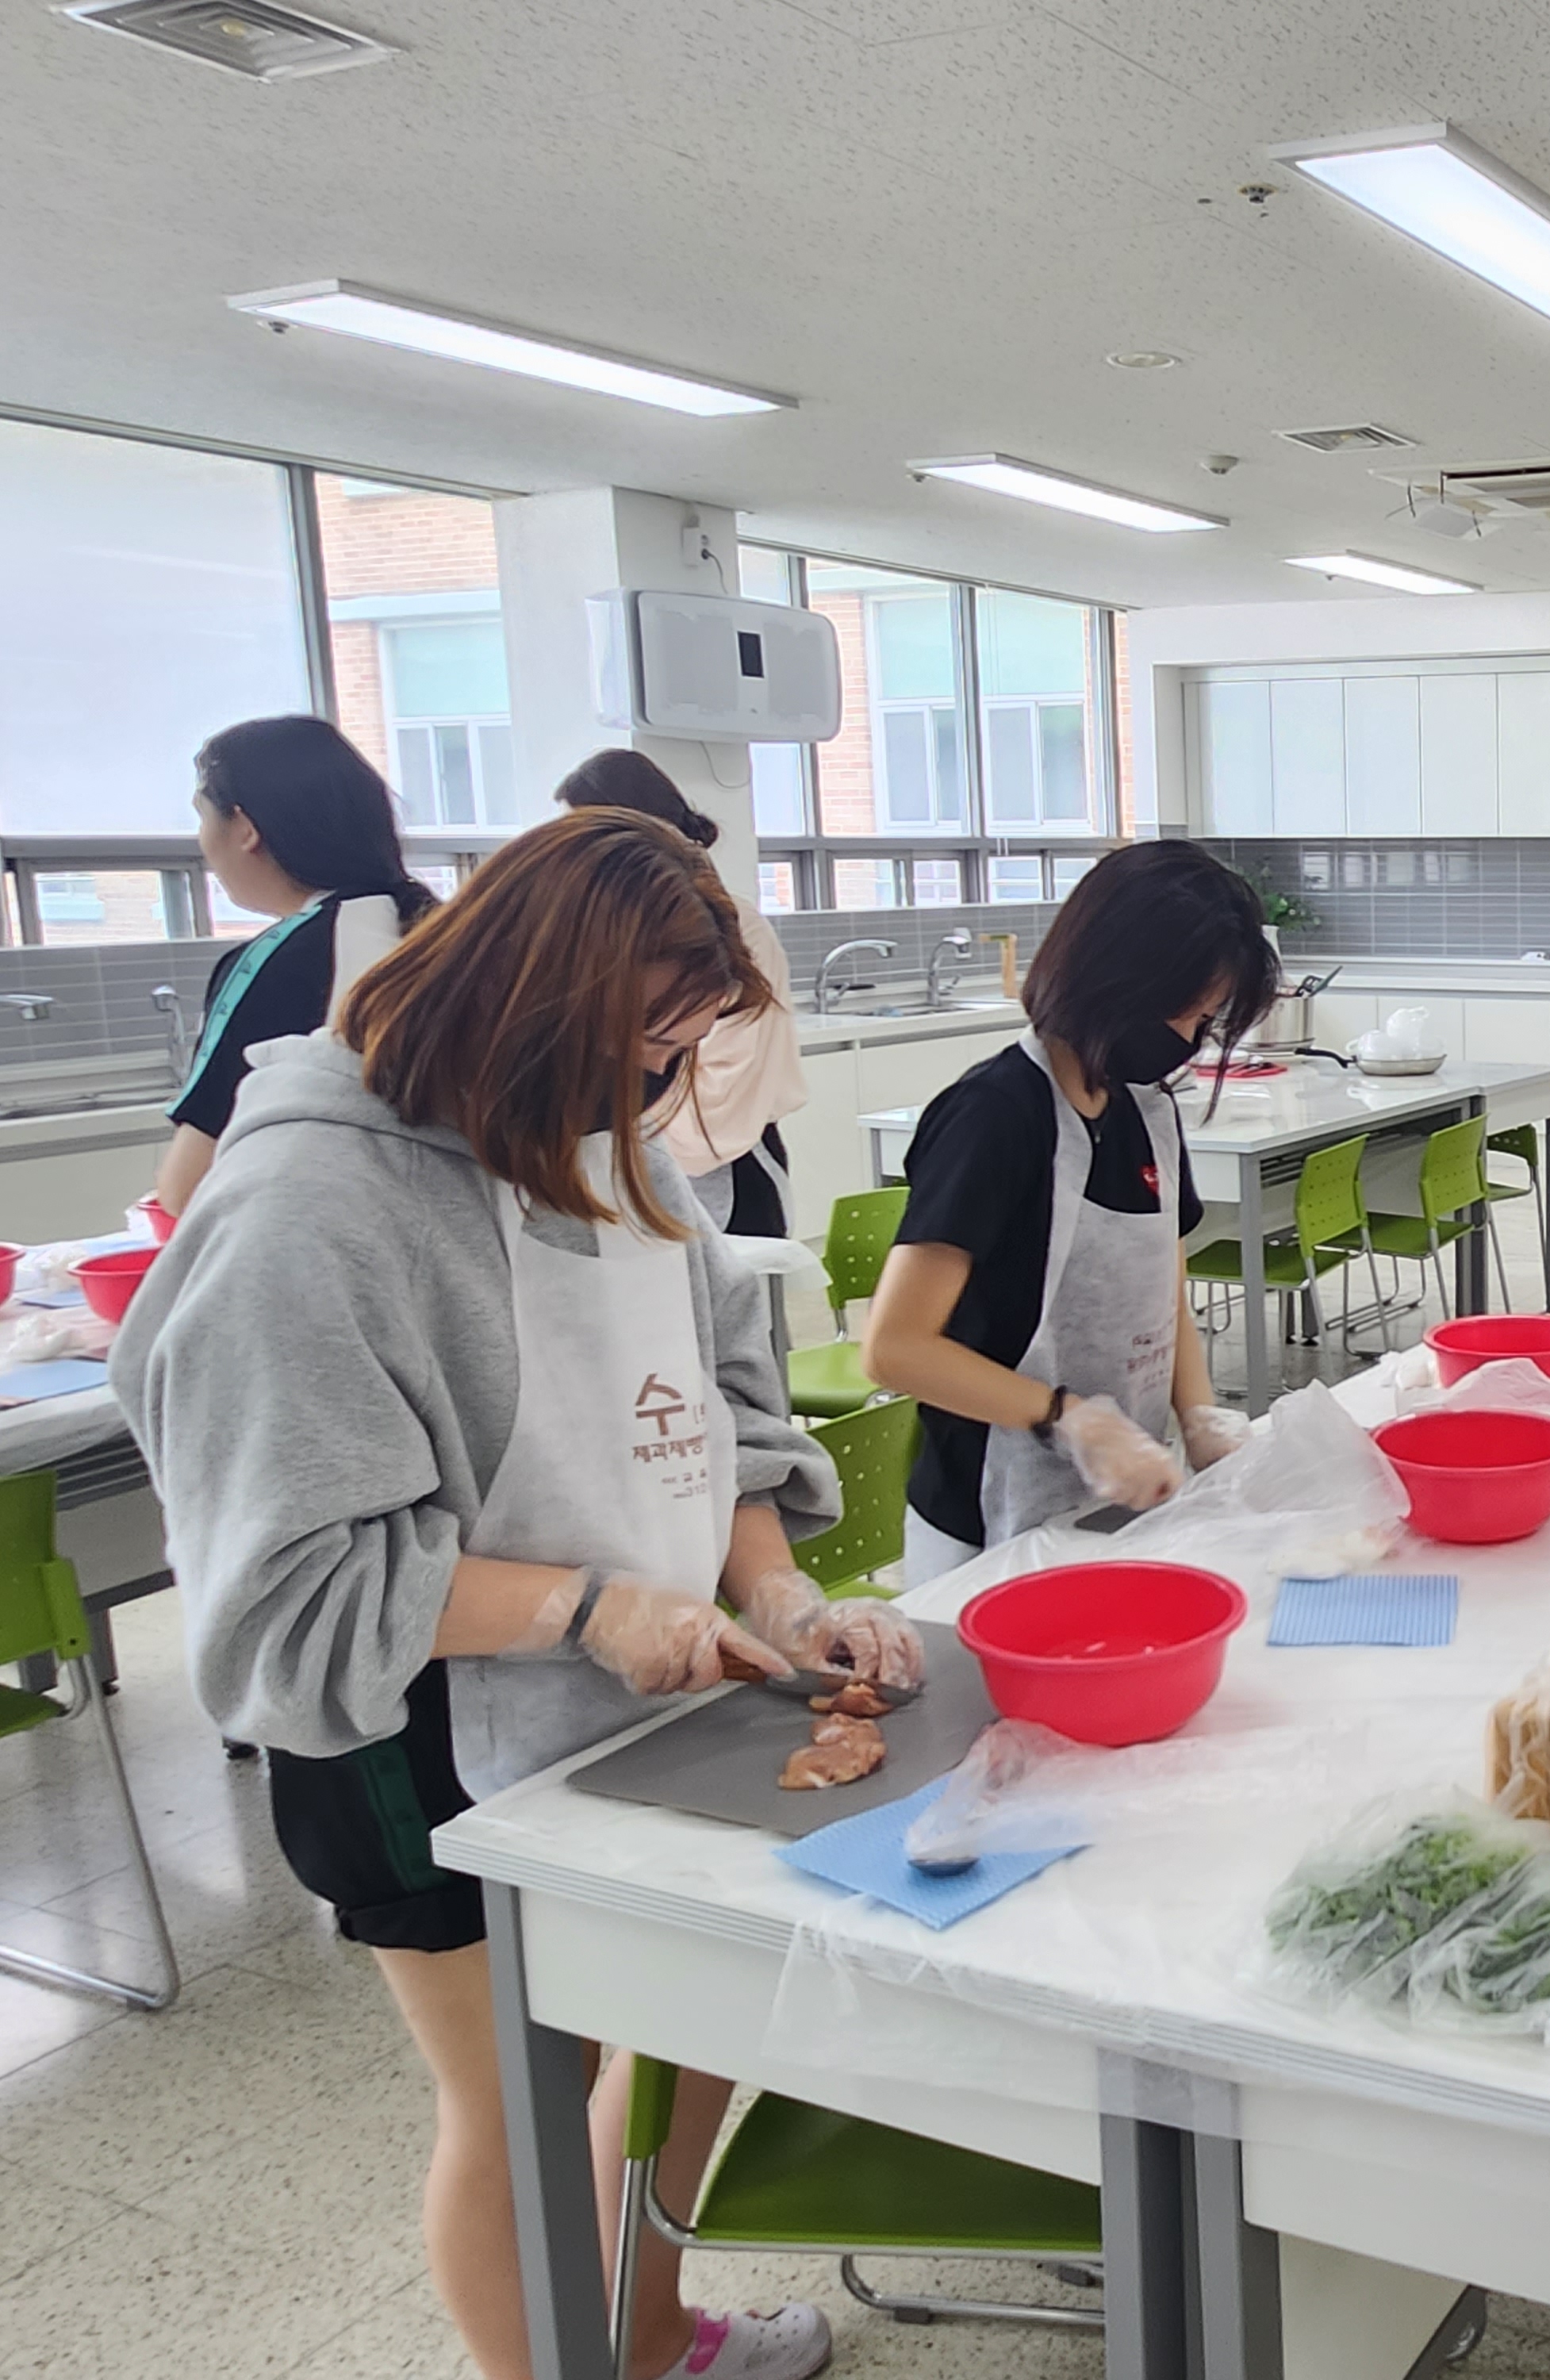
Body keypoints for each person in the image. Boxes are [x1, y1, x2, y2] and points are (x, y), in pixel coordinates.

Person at [117, 808, 912, 2380]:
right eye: (635, 1052)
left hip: (629, 1704)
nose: (648, 1096)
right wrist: (589, 1610)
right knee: (521, 2101)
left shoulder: (603, 1141)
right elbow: (292, 1585)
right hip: (412, 1732)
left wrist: (774, 1590)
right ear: (524, 1005)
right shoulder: (308, 1208)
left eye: (672, 1057)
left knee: (678, 2021)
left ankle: (648, 2335)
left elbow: (716, 1411)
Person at [864, 841, 1280, 1580]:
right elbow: (896, 1348)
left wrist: (1199, 1416)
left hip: (1115, 1500)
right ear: (1121, 981)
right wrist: (1067, 1416)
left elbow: (1165, 1296)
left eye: (1207, 1020)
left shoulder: (1146, 1111)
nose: (1190, 1042)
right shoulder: (994, 1116)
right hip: (988, 1519)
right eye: (1188, 1015)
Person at [155, 716, 435, 1217]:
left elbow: (189, 1189)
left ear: (245, 829)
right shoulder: (447, 928)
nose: (203, 843)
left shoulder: (274, 960)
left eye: (203, 817)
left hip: (338, 1239)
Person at [555, 748, 809, 1238]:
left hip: (723, 1164)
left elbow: (730, 1082)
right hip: (630, 1161)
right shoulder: (600, 933)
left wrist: (639, 1143)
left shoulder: (731, 929)